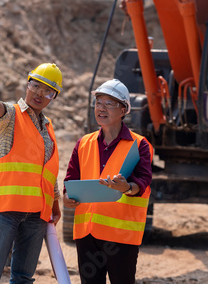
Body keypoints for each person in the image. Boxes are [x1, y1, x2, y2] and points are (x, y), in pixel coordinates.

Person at [0, 63, 63, 284]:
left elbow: (46, 171)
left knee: (23, 278)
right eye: (36, 86)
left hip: (36, 215)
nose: (40, 94)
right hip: (5, 210)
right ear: (27, 84)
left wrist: (54, 204)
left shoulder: (48, 128)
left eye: (48, 91)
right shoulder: (11, 115)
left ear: (54, 97)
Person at [63, 78, 153, 284]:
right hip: (87, 234)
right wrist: (68, 198)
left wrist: (128, 187)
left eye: (109, 104)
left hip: (120, 236)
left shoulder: (139, 145)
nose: (101, 108)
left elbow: (144, 180)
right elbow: (70, 179)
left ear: (123, 110)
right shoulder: (83, 143)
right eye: (98, 103)